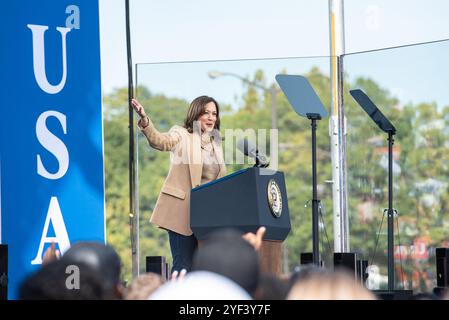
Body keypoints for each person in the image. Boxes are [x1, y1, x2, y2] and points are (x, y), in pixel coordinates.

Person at [131, 96, 226, 273]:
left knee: (205, 271)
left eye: (214, 113)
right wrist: (145, 120)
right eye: (206, 113)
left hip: (208, 218)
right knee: (183, 267)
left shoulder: (216, 142)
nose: (211, 117)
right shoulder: (182, 134)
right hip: (182, 212)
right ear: (195, 114)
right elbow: (160, 141)